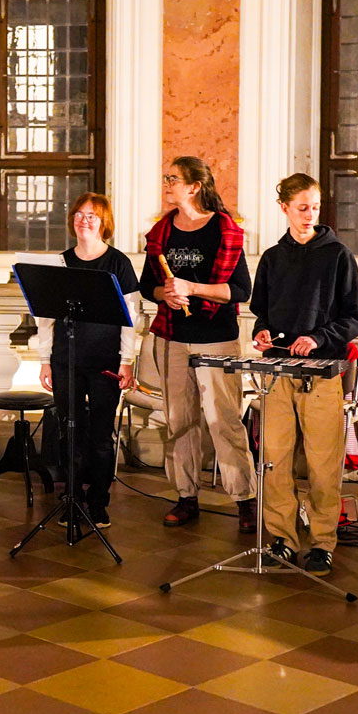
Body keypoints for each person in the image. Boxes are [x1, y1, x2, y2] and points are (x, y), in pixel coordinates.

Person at [250, 173, 358, 576]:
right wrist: (261, 332)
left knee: (322, 464)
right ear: (283, 207)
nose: (310, 215)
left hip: (321, 376)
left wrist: (318, 338)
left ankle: (322, 542)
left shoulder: (337, 256)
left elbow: (355, 318)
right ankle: (281, 537)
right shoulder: (272, 257)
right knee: (275, 460)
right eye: (302, 208)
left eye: (315, 207)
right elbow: (260, 312)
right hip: (279, 373)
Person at [139, 157, 256, 532]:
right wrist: (166, 295)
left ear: (193, 186)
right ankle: (186, 497)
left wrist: (192, 288)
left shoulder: (225, 230)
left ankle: (245, 499)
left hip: (216, 338)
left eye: (172, 179)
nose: (166, 184)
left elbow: (241, 290)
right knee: (179, 421)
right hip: (172, 337)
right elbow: (147, 287)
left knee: (224, 422)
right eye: (166, 177)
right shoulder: (161, 232)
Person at [32, 193, 141, 528]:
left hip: (106, 359)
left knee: (100, 435)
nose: (84, 220)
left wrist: (127, 361)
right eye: (79, 214)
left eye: (92, 215)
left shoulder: (118, 264)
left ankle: (98, 503)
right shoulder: (61, 263)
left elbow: (130, 317)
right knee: (70, 431)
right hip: (66, 359)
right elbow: (46, 318)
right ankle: (73, 499)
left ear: (103, 222)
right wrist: (45, 360)